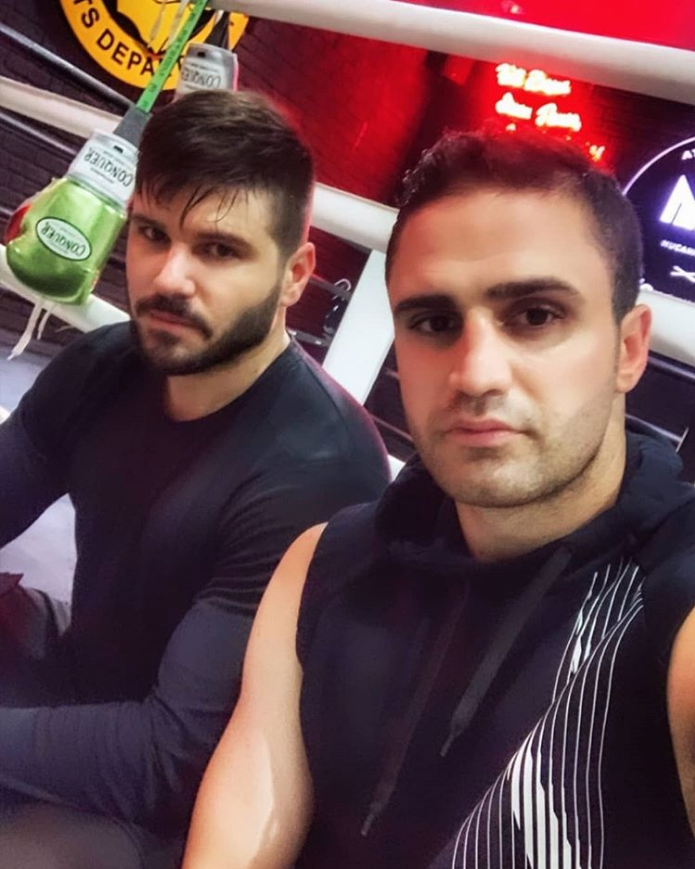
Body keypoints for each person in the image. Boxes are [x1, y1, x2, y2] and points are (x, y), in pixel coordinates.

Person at [182, 129, 695, 869]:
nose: (476, 373)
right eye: (433, 322)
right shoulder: (322, 564)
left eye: (535, 315)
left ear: (627, 348)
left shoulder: (672, 603)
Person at [0, 89, 390, 868]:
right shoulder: (104, 364)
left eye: (218, 249)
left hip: (182, 805)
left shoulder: (321, 469)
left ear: (294, 274)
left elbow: (170, 757)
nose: (170, 277)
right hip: (78, 678)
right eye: (153, 233)